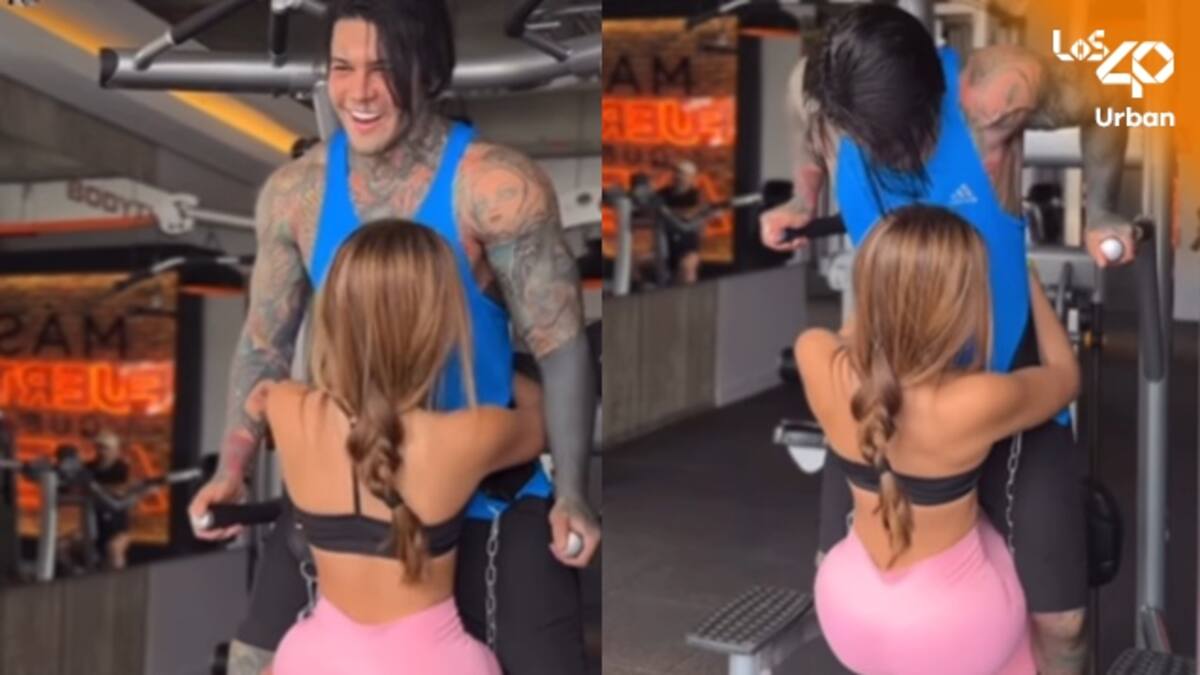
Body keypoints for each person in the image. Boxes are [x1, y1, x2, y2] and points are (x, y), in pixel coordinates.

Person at [186, 1, 597, 673]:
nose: (359, 92)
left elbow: (561, 340)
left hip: (486, 491)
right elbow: (264, 341)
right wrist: (231, 470)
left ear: (428, 71)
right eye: (342, 68)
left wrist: (573, 491)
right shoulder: (296, 194)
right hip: (350, 477)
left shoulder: (496, 187)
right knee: (252, 660)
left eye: (383, 69)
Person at [759, 7, 1131, 671]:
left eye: (894, 140)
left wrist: (1101, 207)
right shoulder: (821, 94)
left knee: (1063, 623)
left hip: (1005, 368)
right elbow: (806, 124)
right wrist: (801, 198)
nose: (880, 156)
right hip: (881, 386)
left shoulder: (996, 93)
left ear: (934, 97)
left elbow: (1109, 96)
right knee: (838, 574)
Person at [797, 205, 1078, 675]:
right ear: (961, 302)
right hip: (949, 631)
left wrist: (889, 272)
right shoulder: (978, 399)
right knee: (1032, 623)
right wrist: (1024, 274)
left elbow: (857, 333)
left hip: (846, 610)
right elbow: (1066, 376)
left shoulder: (815, 354)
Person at [266, 221, 545, 675]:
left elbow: (270, 397)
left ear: (334, 313)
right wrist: (494, 362)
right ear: (438, 324)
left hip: (312, 660)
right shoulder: (470, 436)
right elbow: (542, 419)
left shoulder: (285, 407)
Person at [656, 160, 710, 285]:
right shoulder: (663, 194)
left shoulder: (697, 196)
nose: (678, 176)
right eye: (676, 172)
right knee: (634, 261)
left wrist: (668, 212)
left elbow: (692, 215)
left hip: (687, 245)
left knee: (688, 269)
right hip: (664, 244)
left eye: (682, 174)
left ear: (692, 178)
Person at [86, 431, 133, 570]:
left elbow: (122, 490)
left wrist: (97, 489)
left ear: (115, 450)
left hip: (118, 526)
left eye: (105, 448)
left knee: (114, 549)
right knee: (62, 546)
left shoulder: (122, 468)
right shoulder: (89, 468)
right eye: (98, 447)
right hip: (92, 523)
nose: (101, 452)